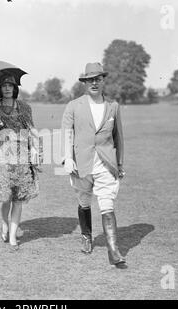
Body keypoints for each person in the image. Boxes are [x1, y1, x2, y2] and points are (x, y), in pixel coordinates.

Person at [61, 62, 127, 269]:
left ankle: (113, 250)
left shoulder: (113, 107)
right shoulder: (74, 106)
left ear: (103, 81)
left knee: (107, 203)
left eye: (98, 79)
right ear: (84, 83)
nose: (94, 83)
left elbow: (119, 138)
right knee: (84, 201)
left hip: (106, 164)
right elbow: (67, 133)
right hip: (81, 163)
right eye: (90, 80)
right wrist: (67, 157)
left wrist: (120, 163)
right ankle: (86, 236)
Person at [0, 74, 40, 251]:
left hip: (22, 156)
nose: (7, 88)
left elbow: (31, 129)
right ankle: (4, 223)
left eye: (10, 85)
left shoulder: (24, 107)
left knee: (18, 198)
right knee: (5, 196)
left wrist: (37, 150)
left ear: (15, 88)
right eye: (4, 86)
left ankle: (14, 237)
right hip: (4, 156)